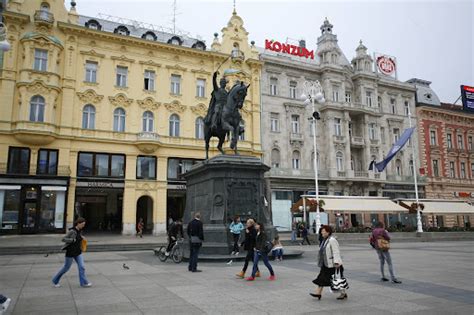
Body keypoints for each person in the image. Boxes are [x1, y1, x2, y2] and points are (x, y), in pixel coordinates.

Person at [52, 217, 92, 288]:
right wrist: (72, 240)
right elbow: (63, 239)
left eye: (84, 224)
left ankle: (83, 283)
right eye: (82, 224)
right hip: (70, 252)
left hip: (78, 252)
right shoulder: (72, 231)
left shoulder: (79, 230)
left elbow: (78, 236)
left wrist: (82, 237)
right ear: (78, 223)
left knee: (82, 267)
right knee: (66, 268)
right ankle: (55, 280)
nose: (83, 226)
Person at [311, 225, 347, 300]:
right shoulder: (325, 240)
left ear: (328, 232)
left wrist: (336, 262)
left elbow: (336, 251)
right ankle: (318, 293)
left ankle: (343, 293)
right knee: (321, 278)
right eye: (321, 231)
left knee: (337, 279)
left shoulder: (332, 240)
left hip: (333, 264)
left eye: (323, 231)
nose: (322, 233)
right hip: (326, 263)